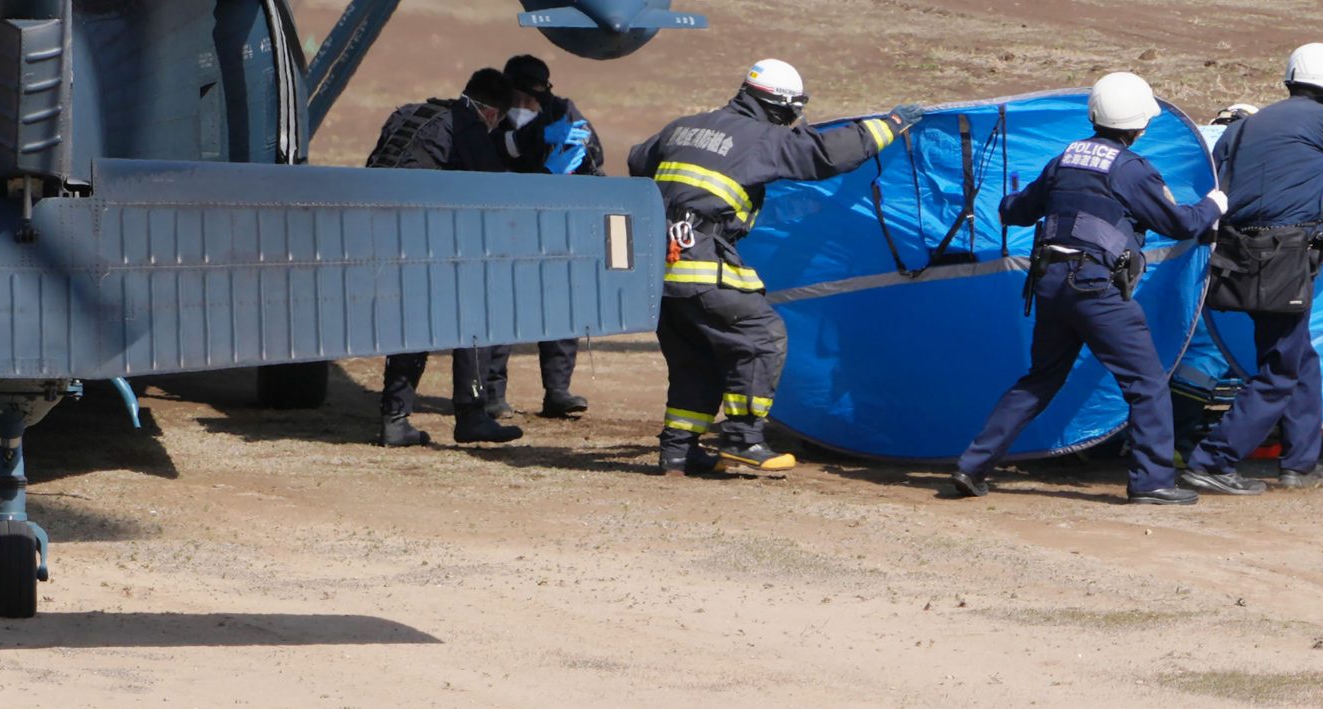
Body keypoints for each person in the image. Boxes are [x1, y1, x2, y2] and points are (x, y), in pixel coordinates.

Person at [944, 73, 1228, 506]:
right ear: (1140, 124)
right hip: (1096, 289)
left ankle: (972, 466)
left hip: (1050, 284)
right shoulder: (1131, 169)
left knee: (1040, 379)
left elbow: (1016, 212)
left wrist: (1009, 199)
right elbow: (1181, 224)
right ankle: (1151, 482)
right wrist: (1215, 205)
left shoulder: (1066, 158)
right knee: (1147, 383)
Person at [630, 59, 916, 476]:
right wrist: (888, 125)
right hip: (700, 261)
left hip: (659, 269)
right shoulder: (761, 138)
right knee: (760, 335)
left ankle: (677, 451)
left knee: (697, 357)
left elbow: (639, 160)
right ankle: (744, 440)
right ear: (780, 106)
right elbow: (825, 154)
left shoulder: (683, 126)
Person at [1178, 43, 1323, 497]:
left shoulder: (1245, 126)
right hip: (1283, 259)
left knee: (1296, 355)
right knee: (1279, 371)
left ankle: (1300, 462)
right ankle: (1212, 460)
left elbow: (1216, 187)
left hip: (1232, 258)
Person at [368, 66, 525, 450]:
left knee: (412, 324)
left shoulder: (408, 113)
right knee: (476, 316)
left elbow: (374, 165)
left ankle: (395, 418)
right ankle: (472, 415)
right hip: (426, 236)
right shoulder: (467, 126)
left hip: (378, 230)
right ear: (492, 113)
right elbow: (492, 192)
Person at [481, 53, 603, 420]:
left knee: (561, 308)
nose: (524, 106)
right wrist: (532, 145)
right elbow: (489, 157)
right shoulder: (490, 116)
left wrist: (581, 161)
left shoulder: (564, 113)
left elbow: (593, 162)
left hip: (556, 227)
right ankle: (491, 394)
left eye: (531, 99)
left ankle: (558, 391)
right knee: (499, 312)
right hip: (503, 226)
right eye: (518, 98)